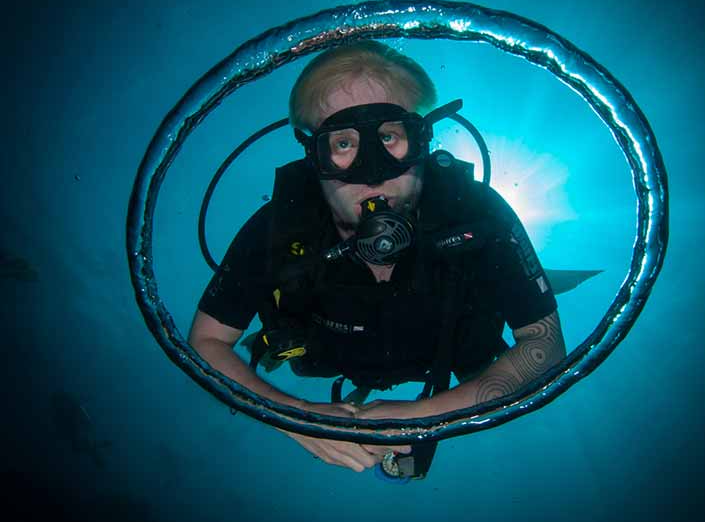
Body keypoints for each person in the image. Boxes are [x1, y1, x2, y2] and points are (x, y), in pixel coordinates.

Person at [188, 40, 566, 476]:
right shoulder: (280, 226)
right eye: (344, 143)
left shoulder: (474, 212)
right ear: (314, 153)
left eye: (388, 136)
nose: (372, 171)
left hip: (452, 346)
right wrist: (294, 417)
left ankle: (522, 281)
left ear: (421, 139)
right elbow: (206, 342)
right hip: (331, 351)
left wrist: (429, 416)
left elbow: (546, 345)